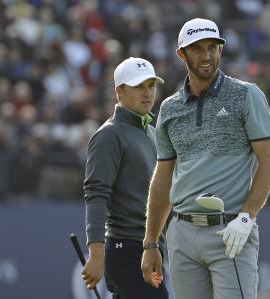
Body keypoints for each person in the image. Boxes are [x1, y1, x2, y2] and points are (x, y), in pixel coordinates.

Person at [141, 18, 270, 299]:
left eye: (212, 48)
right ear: (182, 54)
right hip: (182, 233)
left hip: (229, 231)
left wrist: (246, 217)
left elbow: (269, 162)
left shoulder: (246, 95)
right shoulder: (169, 109)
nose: (207, 56)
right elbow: (163, 178)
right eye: (198, 49)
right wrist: (151, 242)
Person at [81, 57, 169, 299]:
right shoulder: (109, 135)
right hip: (126, 249)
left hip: (151, 248)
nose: (147, 93)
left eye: (151, 85)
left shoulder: (153, 133)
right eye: (139, 86)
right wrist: (96, 254)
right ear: (120, 91)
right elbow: (96, 194)